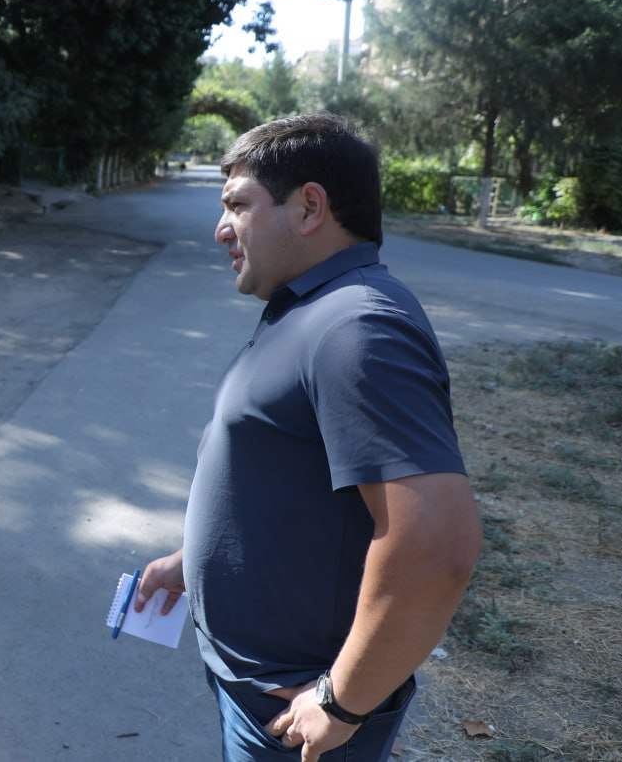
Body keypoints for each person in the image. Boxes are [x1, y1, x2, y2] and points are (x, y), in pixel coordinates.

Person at [135, 114, 482, 762]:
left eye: (238, 205)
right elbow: (287, 471)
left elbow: (436, 545)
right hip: (264, 688)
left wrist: (342, 701)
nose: (221, 228)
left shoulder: (358, 327)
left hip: (296, 710)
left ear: (309, 207)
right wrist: (196, 560)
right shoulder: (313, 305)